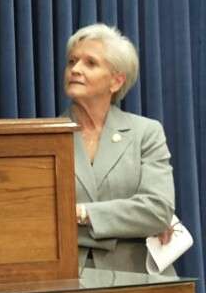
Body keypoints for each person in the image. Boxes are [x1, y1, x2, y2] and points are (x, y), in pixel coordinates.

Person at [62, 23, 175, 273]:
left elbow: (158, 211)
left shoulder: (146, 132)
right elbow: (39, 216)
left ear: (116, 80)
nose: (75, 69)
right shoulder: (46, 136)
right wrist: (127, 221)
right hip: (64, 275)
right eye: (72, 61)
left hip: (136, 274)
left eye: (90, 63)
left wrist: (80, 213)